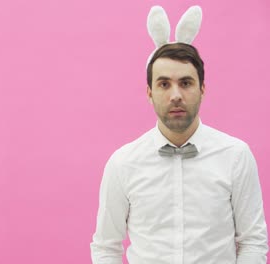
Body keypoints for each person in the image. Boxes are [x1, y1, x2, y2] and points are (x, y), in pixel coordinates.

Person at [90, 40, 268, 262]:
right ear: (149, 93)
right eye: (164, 84)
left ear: (202, 89)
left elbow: (253, 242)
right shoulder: (123, 163)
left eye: (185, 83)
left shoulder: (236, 156)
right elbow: (106, 247)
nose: (175, 95)